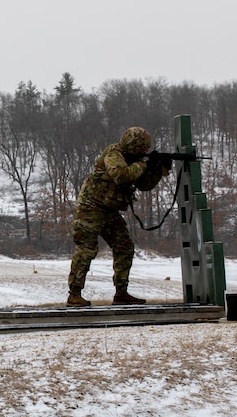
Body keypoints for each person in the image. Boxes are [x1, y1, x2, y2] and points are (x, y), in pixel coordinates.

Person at [67, 127, 169, 307]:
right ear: (134, 146)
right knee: (87, 250)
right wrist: (144, 164)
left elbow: (144, 185)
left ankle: (121, 292)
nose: (143, 152)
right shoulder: (113, 153)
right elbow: (120, 176)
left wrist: (158, 170)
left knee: (124, 247)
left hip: (109, 212)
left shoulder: (134, 160)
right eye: (141, 149)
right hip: (90, 209)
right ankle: (74, 294)